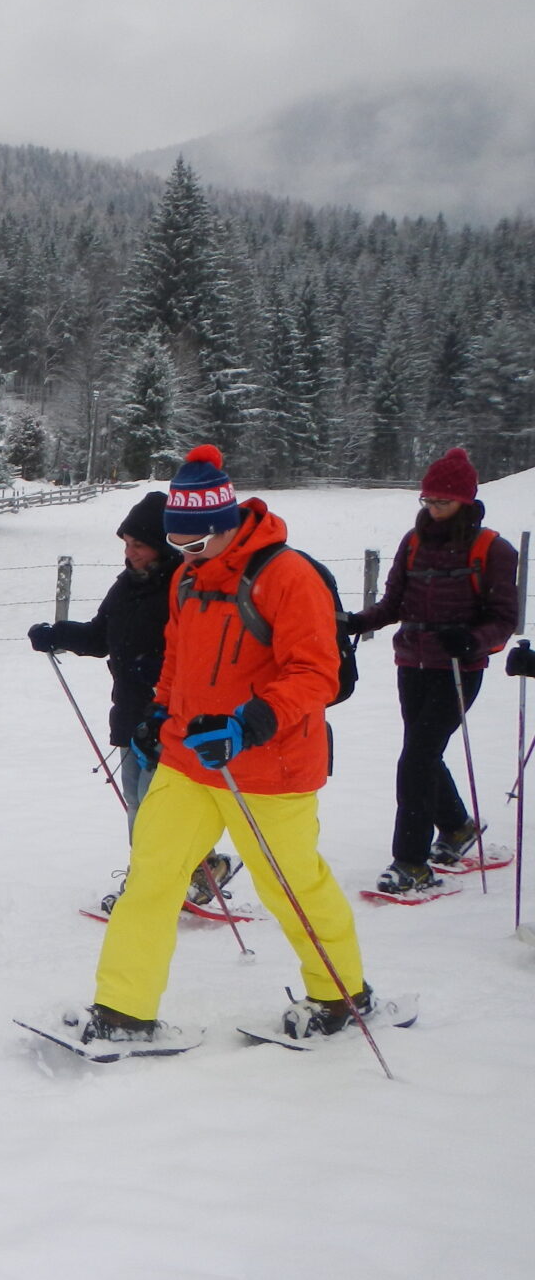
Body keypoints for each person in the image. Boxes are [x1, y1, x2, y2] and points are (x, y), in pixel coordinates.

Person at [79, 446, 374, 1044]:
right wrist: (158, 713)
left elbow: (317, 673)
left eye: (193, 543)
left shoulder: (288, 576)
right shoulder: (188, 578)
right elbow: (178, 659)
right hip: (189, 761)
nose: (183, 554)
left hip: (269, 767)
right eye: (175, 543)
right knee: (152, 877)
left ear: (225, 525)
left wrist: (250, 723)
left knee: (290, 885)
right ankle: (123, 1011)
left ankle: (341, 996)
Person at [27, 491, 237, 915]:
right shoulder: (126, 586)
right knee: (140, 806)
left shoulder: (185, 587)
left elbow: (202, 652)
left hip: (171, 719)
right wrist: (57, 635)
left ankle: (148, 885)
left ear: (162, 544)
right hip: (128, 715)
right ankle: (204, 867)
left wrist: (155, 669)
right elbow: (100, 636)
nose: (130, 552)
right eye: (126, 543)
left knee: (154, 810)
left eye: (138, 544)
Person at [342, 448, 520, 897]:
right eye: (428, 500)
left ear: (465, 501)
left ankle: (411, 863)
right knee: (421, 753)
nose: (433, 508)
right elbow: (393, 604)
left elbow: (504, 619)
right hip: (411, 664)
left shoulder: (493, 549)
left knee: (417, 759)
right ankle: (458, 827)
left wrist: (473, 640)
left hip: (458, 669)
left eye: (443, 501)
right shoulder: (413, 542)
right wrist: (356, 622)